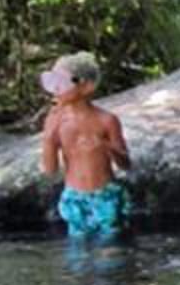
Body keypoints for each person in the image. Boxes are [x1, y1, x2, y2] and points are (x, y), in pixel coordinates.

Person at [39, 53, 132, 240]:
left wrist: (106, 146)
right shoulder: (56, 122)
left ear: (86, 86)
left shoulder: (106, 120)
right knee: (78, 253)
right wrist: (48, 137)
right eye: (52, 81)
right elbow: (50, 170)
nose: (56, 88)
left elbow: (125, 165)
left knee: (110, 251)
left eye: (62, 82)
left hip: (106, 196)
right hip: (74, 198)